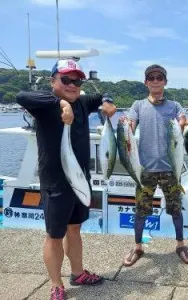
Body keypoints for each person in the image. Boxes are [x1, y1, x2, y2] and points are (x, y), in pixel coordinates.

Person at [16, 59, 117, 300]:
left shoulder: (83, 102)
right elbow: (21, 96)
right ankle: (55, 284)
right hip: (56, 183)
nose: (72, 85)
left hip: (81, 181)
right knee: (54, 235)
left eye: (77, 80)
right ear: (53, 81)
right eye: (66, 80)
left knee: (75, 229)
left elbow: (106, 93)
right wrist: (60, 102)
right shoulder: (44, 105)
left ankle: (78, 273)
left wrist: (107, 101)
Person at [122, 64, 188, 266]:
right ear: (146, 82)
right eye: (151, 78)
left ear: (165, 82)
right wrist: (127, 126)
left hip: (171, 168)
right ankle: (138, 247)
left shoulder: (175, 106)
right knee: (141, 211)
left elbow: (181, 122)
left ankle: (180, 244)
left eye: (159, 77)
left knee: (176, 209)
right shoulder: (137, 105)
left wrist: (183, 123)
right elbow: (131, 124)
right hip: (145, 169)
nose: (155, 81)